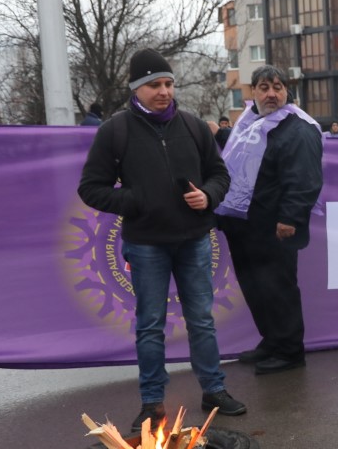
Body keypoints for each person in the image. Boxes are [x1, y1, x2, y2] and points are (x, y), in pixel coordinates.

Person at [77, 48, 246, 424]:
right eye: (155, 85)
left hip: (195, 241)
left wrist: (209, 196)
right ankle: (152, 402)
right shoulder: (114, 131)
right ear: (136, 89)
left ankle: (213, 390)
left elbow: (220, 175)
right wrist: (136, 200)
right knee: (151, 324)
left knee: (201, 319)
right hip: (146, 244)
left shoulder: (194, 126)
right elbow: (90, 188)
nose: (164, 91)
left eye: (169, 84)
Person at [216, 65, 324, 375]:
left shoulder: (298, 128)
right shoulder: (249, 124)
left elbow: (304, 178)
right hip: (245, 226)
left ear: (286, 92)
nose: (272, 93)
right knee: (255, 287)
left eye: (277, 87)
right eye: (264, 87)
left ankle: (290, 350)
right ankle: (272, 340)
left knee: (278, 288)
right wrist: (220, 132)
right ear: (253, 93)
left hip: (276, 227)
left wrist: (289, 216)